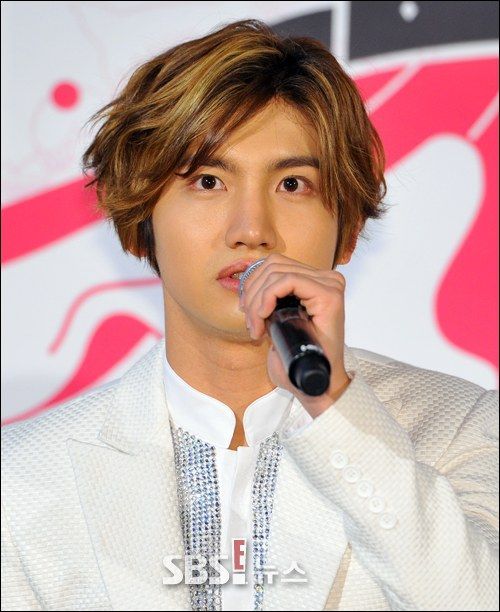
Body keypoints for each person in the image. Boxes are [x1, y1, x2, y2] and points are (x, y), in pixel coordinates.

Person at [1, 19, 498, 612]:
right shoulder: (22, 478)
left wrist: (333, 407)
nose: (252, 230)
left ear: (347, 229)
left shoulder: (462, 427)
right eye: (208, 181)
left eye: (292, 184)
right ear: (141, 221)